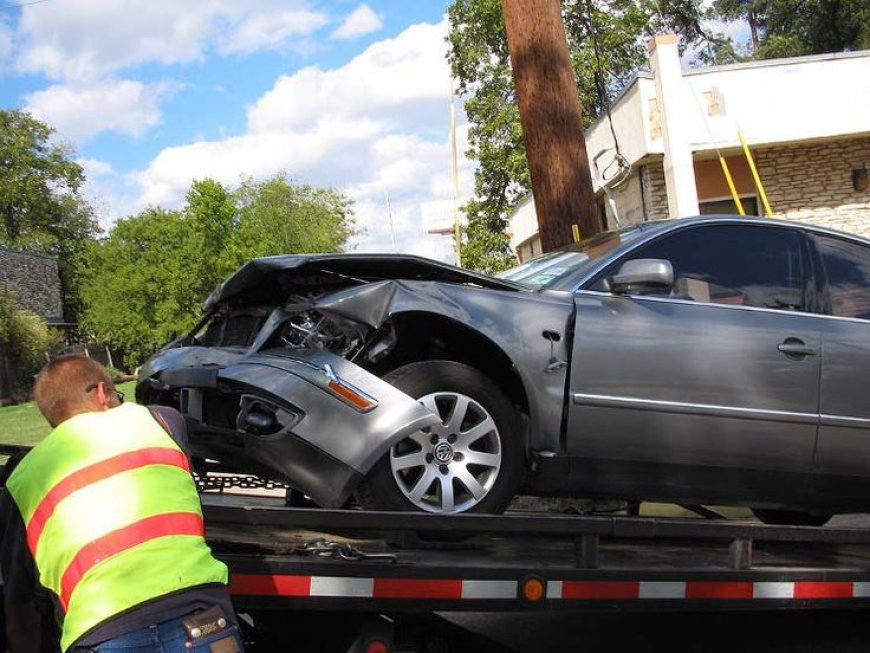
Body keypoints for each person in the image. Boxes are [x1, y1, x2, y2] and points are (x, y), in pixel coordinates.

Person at [0, 355, 243, 652]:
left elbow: (19, 611)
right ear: (103, 393)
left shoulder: (23, 479)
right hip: (202, 619)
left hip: (102, 634)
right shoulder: (162, 421)